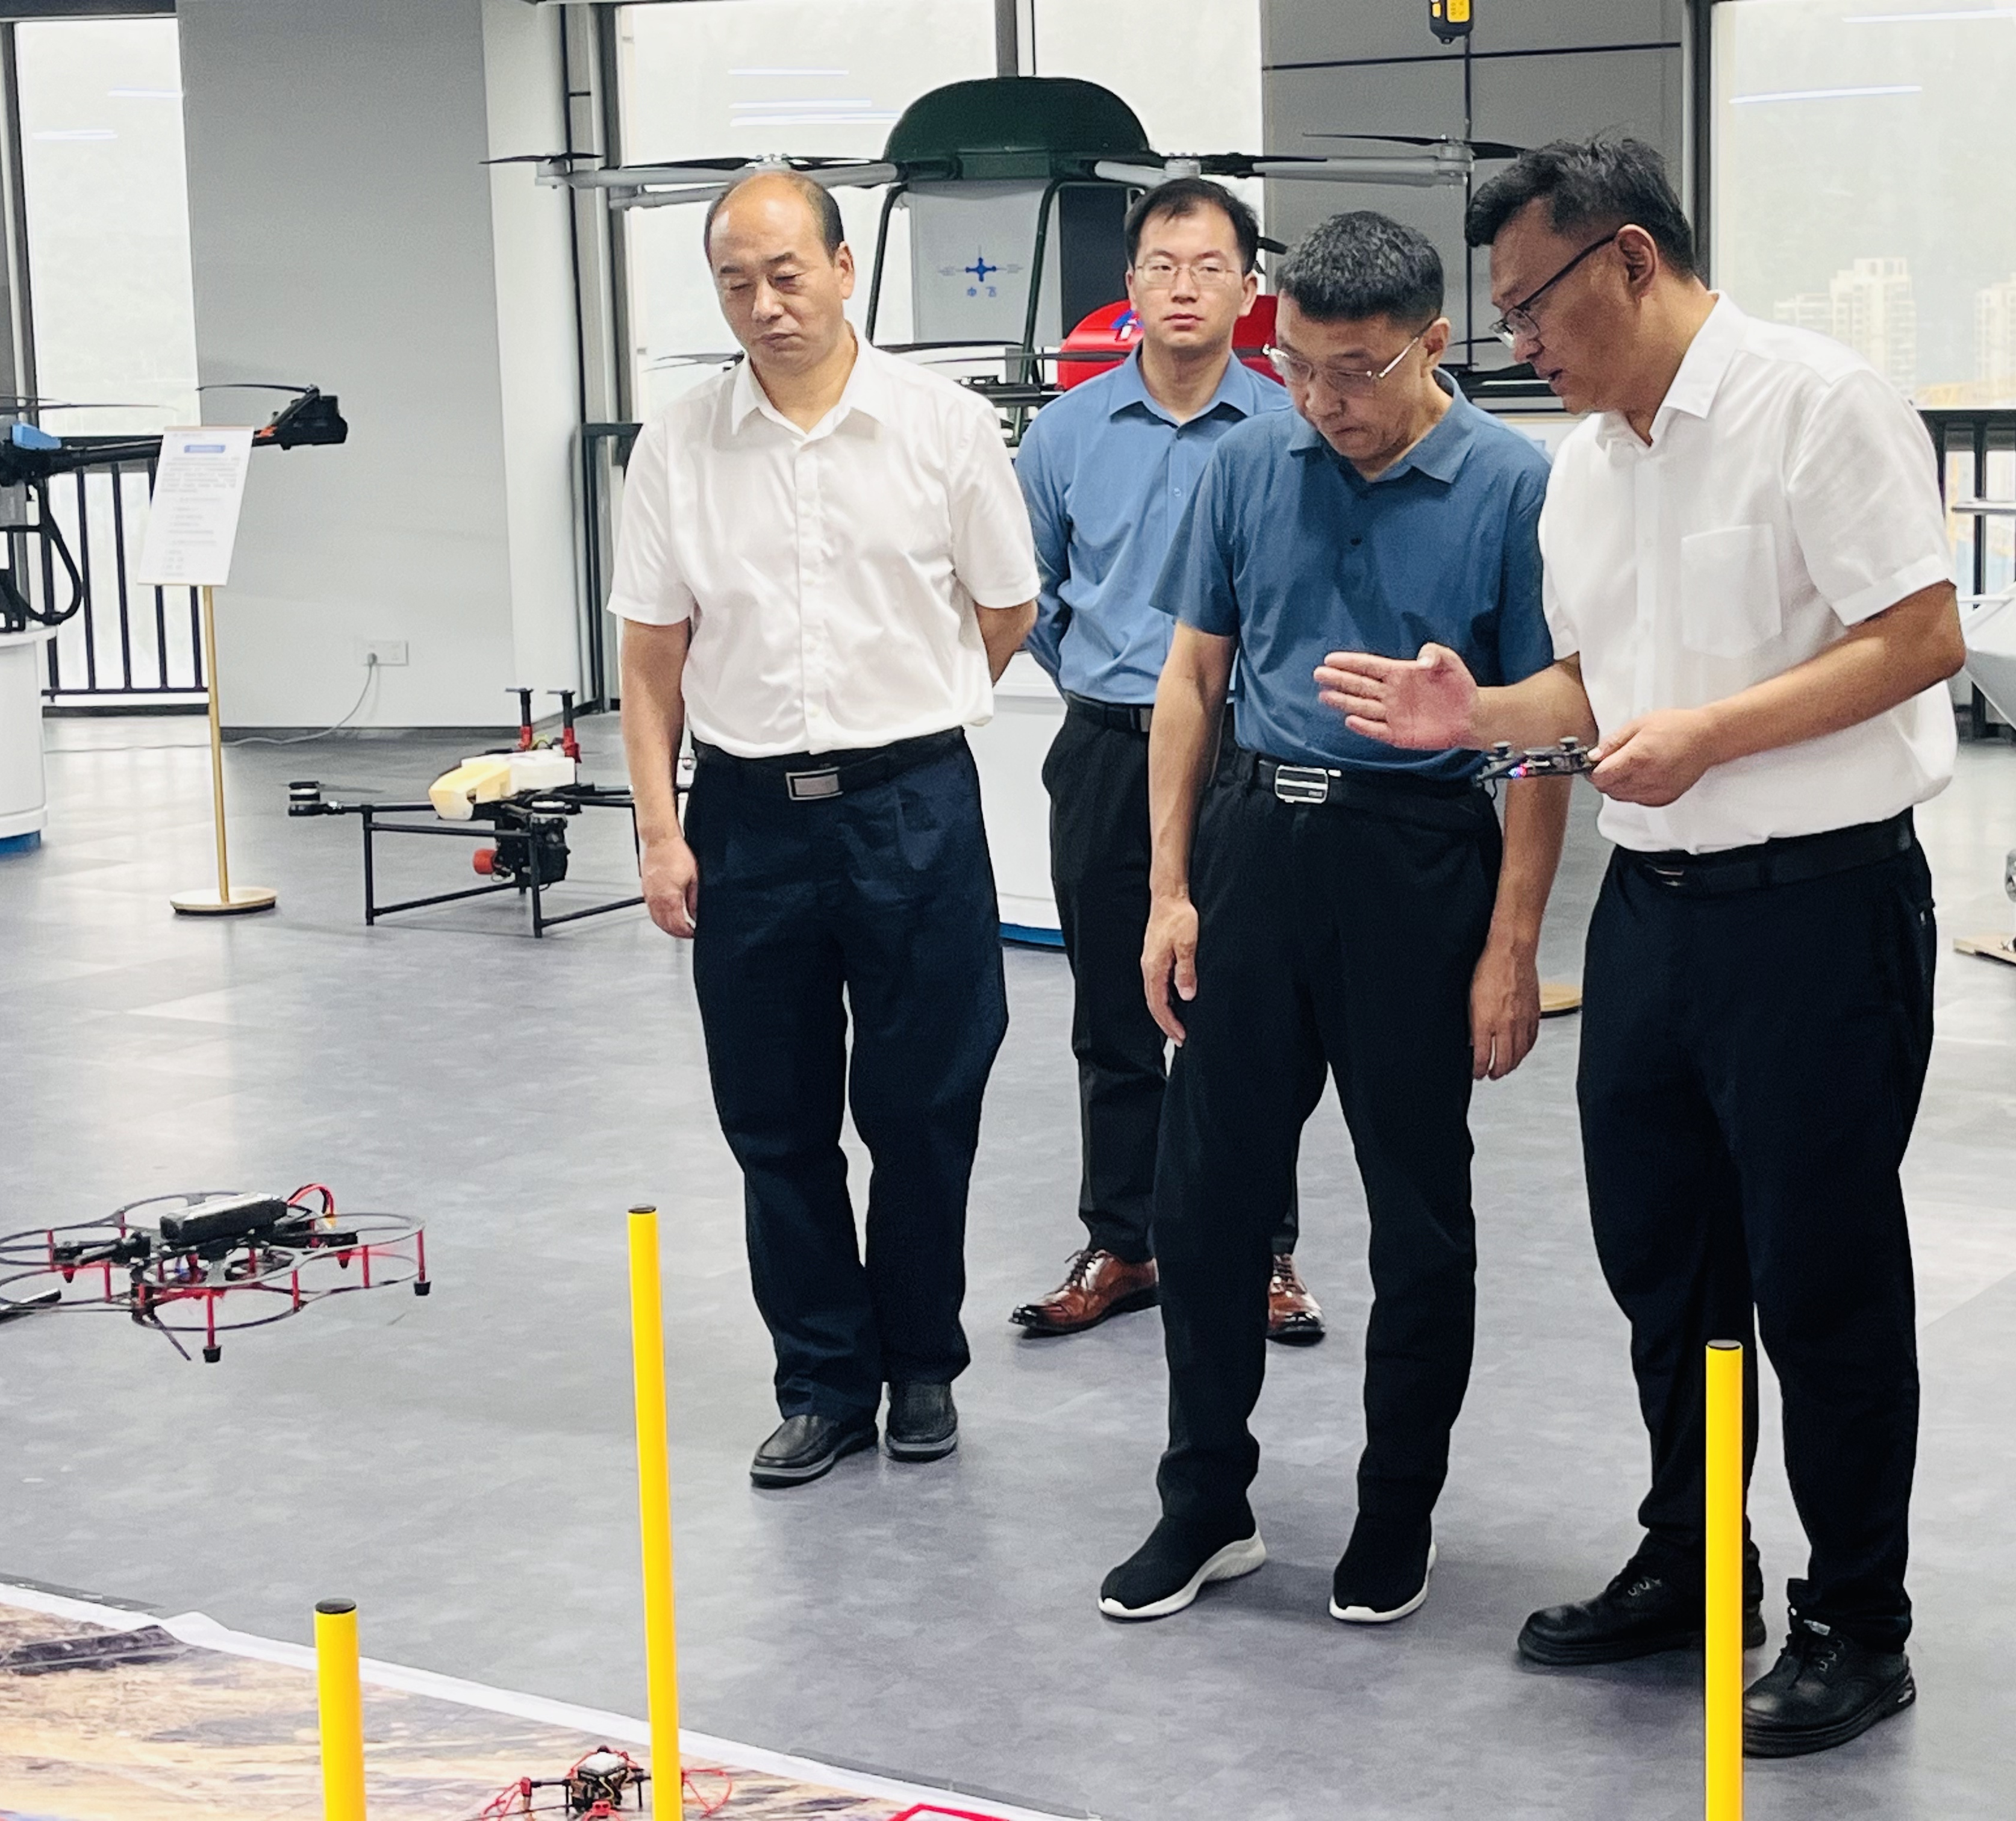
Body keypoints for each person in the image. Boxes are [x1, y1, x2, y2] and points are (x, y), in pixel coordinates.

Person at [1315, 137, 1964, 1755]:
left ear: (1628, 259)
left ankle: (1858, 1620)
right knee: (1666, 1266)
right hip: (1656, 920)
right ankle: (1695, 1560)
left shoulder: (1818, 405)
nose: (1518, 342)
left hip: (1820, 913)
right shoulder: (1591, 468)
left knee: (1821, 1280)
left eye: (1533, 304)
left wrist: (1715, 735)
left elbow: (1920, 636)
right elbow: (1595, 692)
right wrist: (1479, 715)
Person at [1096, 210, 1568, 1629]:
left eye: (1354, 372)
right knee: (1206, 1200)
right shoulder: (1251, 459)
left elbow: (1543, 739)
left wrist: (1512, 948)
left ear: (1432, 343)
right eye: (1297, 366)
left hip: (1416, 859)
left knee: (1418, 1211)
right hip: (1254, 845)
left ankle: (1396, 1510)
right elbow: (1192, 679)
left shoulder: (1513, 486)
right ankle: (1204, 1505)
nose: (1322, 401)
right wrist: (1170, 889)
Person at [613, 170, 1039, 1491]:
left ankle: (922, 1367)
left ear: (845, 270)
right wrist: (660, 831)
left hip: (912, 804)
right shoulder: (679, 443)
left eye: (787, 274)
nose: (765, 304)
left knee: (925, 1108)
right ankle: (822, 1382)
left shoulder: (942, 426)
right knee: (774, 1118)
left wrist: (904, 708)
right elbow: (651, 661)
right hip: (746, 819)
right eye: (736, 282)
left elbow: (1006, 611)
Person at [1008, 178, 1320, 1346]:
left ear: (1249, 288)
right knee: (1111, 1011)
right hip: (1105, 748)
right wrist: (1104, 677)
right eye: (1161, 266)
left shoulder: (1290, 426)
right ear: (1130, 285)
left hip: (1245, 757)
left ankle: (1262, 1250)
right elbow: (1029, 595)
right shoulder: (1065, 433)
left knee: (1253, 1012)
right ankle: (1125, 1242)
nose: (1184, 287)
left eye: (1208, 267)